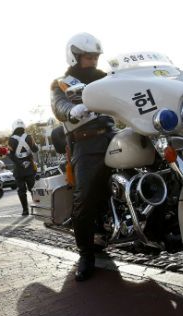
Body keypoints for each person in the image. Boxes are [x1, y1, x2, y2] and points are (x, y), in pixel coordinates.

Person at [50, 32, 115, 281]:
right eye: (89, 57)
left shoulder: (107, 78)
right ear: (75, 56)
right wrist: (71, 110)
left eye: (96, 56)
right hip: (86, 143)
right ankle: (86, 253)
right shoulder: (61, 83)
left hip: (112, 135)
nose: (94, 61)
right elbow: (59, 106)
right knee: (84, 198)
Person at [7, 119, 39, 216]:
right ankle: (38, 208)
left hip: (19, 170)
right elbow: (35, 149)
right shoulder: (29, 137)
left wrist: (20, 163)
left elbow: (10, 155)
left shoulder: (11, 139)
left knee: (21, 191)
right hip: (29, 168)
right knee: (33, 189)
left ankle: (25, 211)